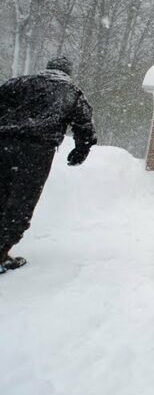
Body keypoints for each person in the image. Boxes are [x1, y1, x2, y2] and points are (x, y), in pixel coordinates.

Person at [0, 56, 96, 274]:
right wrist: (80, 151)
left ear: (48, 68)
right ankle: (1, 253)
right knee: (21, 201)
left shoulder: (20, 83)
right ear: (67, 72)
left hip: (4, 144)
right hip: (36, 152)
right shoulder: (72, 92)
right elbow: (85, 126)